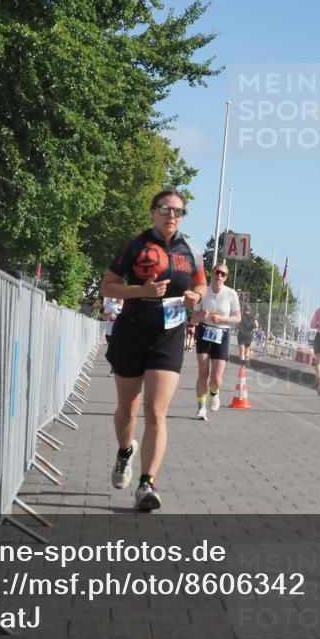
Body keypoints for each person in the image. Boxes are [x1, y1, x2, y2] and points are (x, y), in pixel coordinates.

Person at [101, 190, 206, 511]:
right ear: (152, 212)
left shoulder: (192, 251)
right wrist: (141, 290)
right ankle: (124, 451)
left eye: (178, 211)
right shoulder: (135, 246)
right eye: (165, 209)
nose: (171, 215)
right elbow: (107, 286)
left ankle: (146, 484)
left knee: (156, 411)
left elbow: (200, 284)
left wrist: (196, 296)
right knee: (127, 410)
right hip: (132, 331)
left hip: (169, 335)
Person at [193, 263, 241, 421]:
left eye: (223, 274)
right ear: (212, 273)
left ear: (226, 278)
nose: (219, 276)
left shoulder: (231, 293)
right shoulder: (203, 291)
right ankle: (201, 408)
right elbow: (193, 318)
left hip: (222, 333)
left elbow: (238, 318)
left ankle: (214, 393)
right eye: (217, 272)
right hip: (205, 331)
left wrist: (222, 319)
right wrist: (202, 316)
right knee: (203, 373)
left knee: (216, 379)